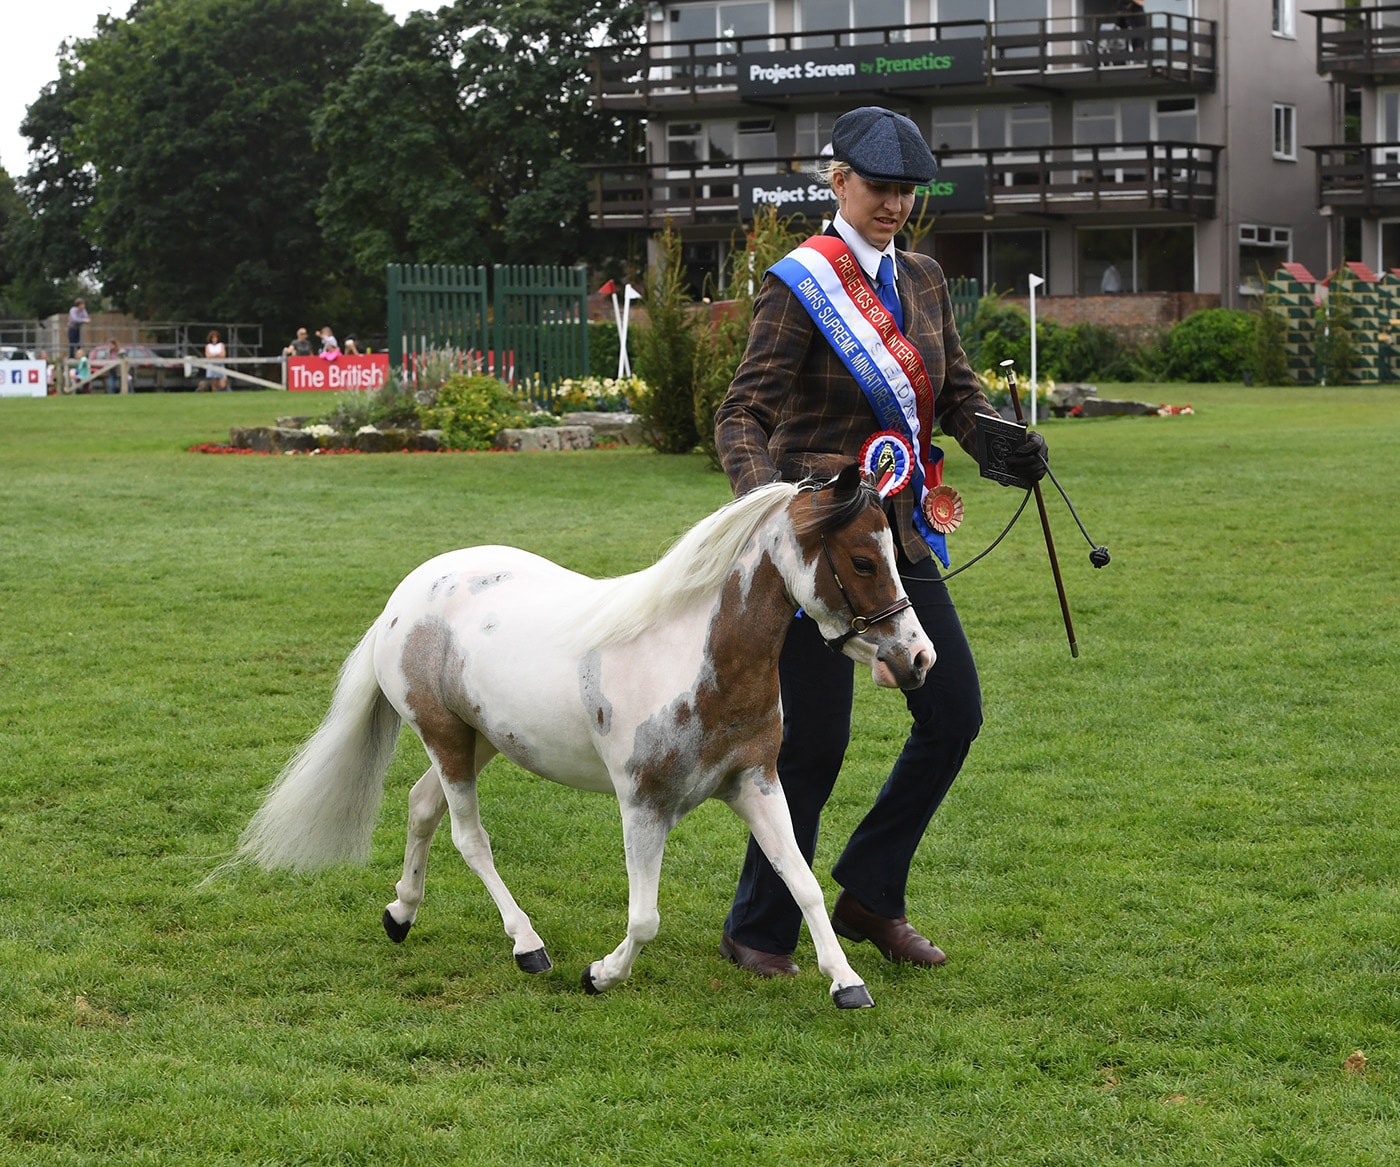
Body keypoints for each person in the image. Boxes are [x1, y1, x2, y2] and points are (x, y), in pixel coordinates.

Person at [713, 106, 1049, 978]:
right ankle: (760, 927)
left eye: (906, 191)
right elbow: (741, 411)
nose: (894, 203)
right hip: (821, 544)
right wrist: (767, 511)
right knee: (815, 742)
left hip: (900, 535)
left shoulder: (928, 279)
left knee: (953, 714)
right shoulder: (800, 283)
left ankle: (868, 891)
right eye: (878, 187)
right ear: (838, 184)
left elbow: (956, 391)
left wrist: (999, 441)